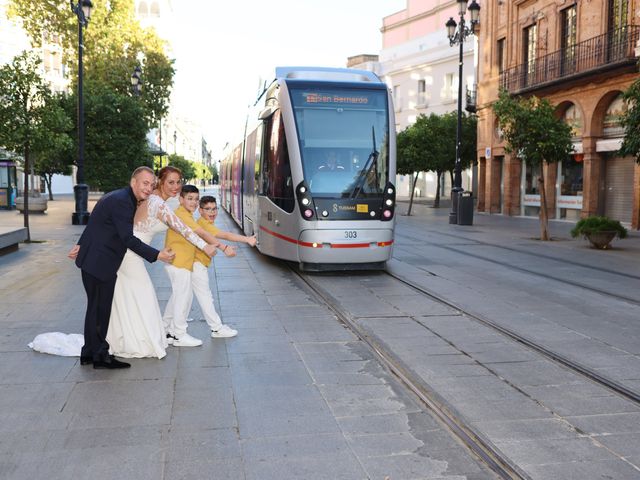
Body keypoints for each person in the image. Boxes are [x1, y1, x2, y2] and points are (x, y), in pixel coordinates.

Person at [105, 166, 221, 359]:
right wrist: (204, 246)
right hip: (130, 255)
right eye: (171, 182)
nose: (176, 187)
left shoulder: (156, 198)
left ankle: (130, 338)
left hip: (130, 252)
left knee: (128, 296)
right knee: (144, 295)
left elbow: (184, 213)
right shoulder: (157, 202)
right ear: (160, 181)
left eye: (178, 182)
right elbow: (181, 227)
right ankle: (157, 339)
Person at [67, 166, 176, 369]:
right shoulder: (123, 202)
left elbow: (95, 222)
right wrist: (157, 254)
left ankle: (89, 353)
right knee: (101, 310)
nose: (148, 188)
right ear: (133, 182)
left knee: (94, 309)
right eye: (145, 183)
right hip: (101, 263)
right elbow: (127, 238)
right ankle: (100, 356)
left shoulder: (118, 197)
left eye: (152, 185)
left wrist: (81, 245)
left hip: (93, 260)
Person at [163, 185, 236, 347]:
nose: (194, 202)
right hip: (179, 262)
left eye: (196, 199)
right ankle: (179, 335)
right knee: (183, 298)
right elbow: (202, 233)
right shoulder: (182, 214)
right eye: (190, 199)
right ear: (181, 200)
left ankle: (166, 330)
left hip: (181, 262)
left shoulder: (185, 214)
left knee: (177, 297)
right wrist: (222, 247)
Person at [190, 195, 256, 338]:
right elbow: (225, 235)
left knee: (182, 297)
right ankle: (217, 328)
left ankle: (168, 327)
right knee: (205, 297)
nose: (212, 212)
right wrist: (247, 239)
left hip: (194, 264)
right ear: (200, 211)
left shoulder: (203, 222)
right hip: (196, 265)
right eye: (208, 209)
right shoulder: (204, 225)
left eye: (214, 209)